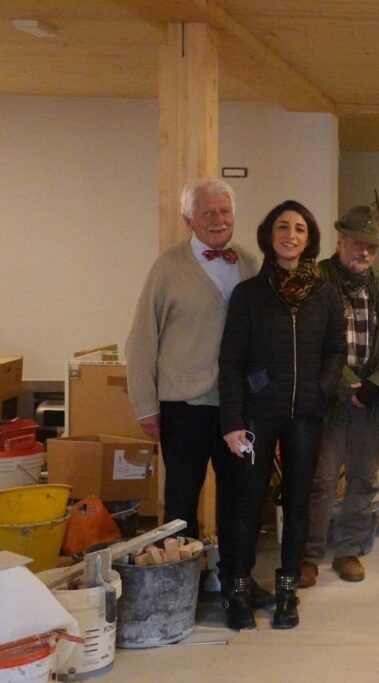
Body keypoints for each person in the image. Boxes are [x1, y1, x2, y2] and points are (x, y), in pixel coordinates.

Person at [126, 178, 270, 602]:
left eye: (225, 211)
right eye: (208, 212)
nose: (218, 220)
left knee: (239, 502)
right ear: (189, 218)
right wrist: (144, 405)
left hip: (236, 409)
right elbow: (142, 339)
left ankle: (235, 582)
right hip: (183, 406)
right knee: (181, 504)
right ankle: (178, 591)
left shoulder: (248, 262)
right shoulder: (167, 267)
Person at [218, 200, 345, 630]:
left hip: (305, 417)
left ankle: (287, 593)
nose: (291, 235)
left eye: (300, 229)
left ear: (309, 240)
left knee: (297, 505)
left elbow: (336, 352)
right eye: (282, 227)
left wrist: (320, 391)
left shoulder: (325, 295)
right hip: (255, 416)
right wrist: (232, 420)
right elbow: (230, 361)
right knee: (246, 505)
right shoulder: (249, 295)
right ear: (269, 236)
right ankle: (237, 593)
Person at [299, 205, 379, 588]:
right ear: (340, 242)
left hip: (371, 400)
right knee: (319, 479)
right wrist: (347, 384)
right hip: (329, 398)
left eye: (371, 248)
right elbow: (310, 342)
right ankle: (308, 554)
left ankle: (347, 550)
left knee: (363, 479)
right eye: (358, 244)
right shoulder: (316, 282)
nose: (364, 253)